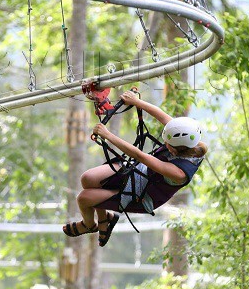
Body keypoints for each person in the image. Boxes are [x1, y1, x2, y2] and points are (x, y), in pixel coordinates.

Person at [62, 90, 208, 246]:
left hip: (142, 195)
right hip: (140, 171)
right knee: (88, 178)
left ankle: (89, 225)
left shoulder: (179, 173)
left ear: (175, 149)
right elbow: (162, 116)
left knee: (83, 198)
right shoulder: (190, 138)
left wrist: (108, 135)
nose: (165, 144)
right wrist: (136, 102)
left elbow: (141, 156)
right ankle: (105, 219)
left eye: (167, 144)